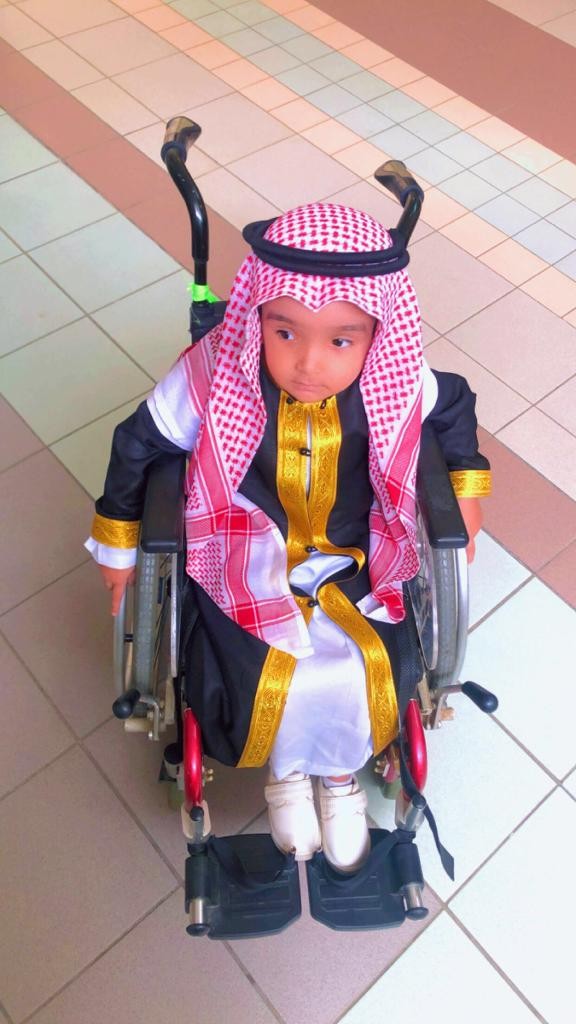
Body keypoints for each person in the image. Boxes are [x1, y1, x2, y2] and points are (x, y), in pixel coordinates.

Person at [86, 202, 490, 874]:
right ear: (258, 319)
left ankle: (338, 776)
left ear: (375, 336)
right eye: (284, 333)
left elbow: (452, 406)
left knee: (359, 664)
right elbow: (139, 443)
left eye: (340, 342)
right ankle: (288, 772)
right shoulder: (217, 372)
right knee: (265, 666)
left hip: (356, 555)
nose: (308, 363)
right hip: (240, 550)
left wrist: (466, 491)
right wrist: (119, 548)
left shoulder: (391, 380)